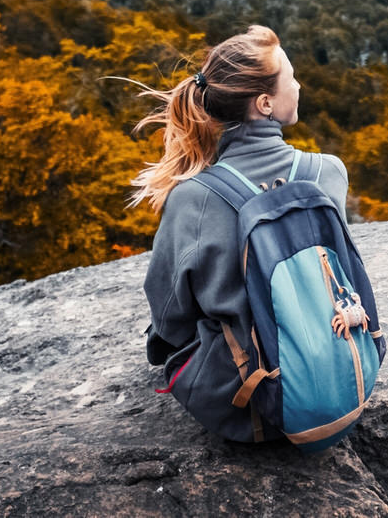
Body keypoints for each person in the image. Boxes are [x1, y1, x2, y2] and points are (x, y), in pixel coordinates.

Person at [131, 24, 350, 442]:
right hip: (341, 379)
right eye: (291, 77)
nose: (300, 85)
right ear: (265, 103)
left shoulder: (193, 198)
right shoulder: (329, 172)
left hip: (247, 409)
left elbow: (170, 316)